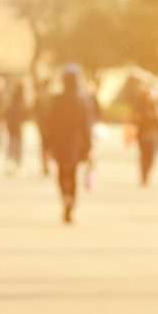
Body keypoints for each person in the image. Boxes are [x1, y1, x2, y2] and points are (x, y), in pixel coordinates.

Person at [43, 66, 93, 224]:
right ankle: (70, 201)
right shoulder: (83, 101)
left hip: (60, 143)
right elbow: (87, 126)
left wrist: (47, 145)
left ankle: (65, 196)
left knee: (61, 173)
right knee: (72, 174)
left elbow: (49, 124)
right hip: (76, 144)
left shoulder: (57, 100)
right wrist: (89, 146)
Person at [132, 87, 158, 186]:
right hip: (143, 135)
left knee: (151, 156)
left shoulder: (157, 107)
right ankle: (143, 175)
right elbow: (135, 120)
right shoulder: (140, 107)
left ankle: (147, 174)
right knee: (143, 156)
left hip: (154, 135)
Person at [4, 79, 30, 175]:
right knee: (17, 145)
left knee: (12, 144)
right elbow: (25, 112)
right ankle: (16, 165)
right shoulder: (21, 99)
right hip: (17, 124)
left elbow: (7, 110)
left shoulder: (12, 98)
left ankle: (11, 165)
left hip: (12, 124)